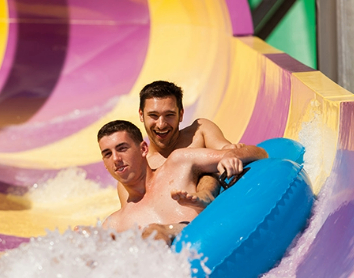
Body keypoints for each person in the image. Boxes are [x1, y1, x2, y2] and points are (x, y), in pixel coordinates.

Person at [98, 120, 267, 244]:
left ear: (143, 149)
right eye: (107, 154)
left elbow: (259, 153)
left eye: (122, 149)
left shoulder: (179, 163)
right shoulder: (113, 225)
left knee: (153, 232)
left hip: (211, 238)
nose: (116, 159)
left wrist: (232, 156)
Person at [116, 80, 242, 212]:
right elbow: (132, 216)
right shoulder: (138, 167)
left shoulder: (200, 132)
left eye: (169, 115)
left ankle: (204, 196)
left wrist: (232, 152)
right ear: (141, 115)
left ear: (181, 114)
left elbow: (228, 150)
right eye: (153, 116)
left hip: (212, 204)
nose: (161, 124)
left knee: (204, 167)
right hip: (177, 224)